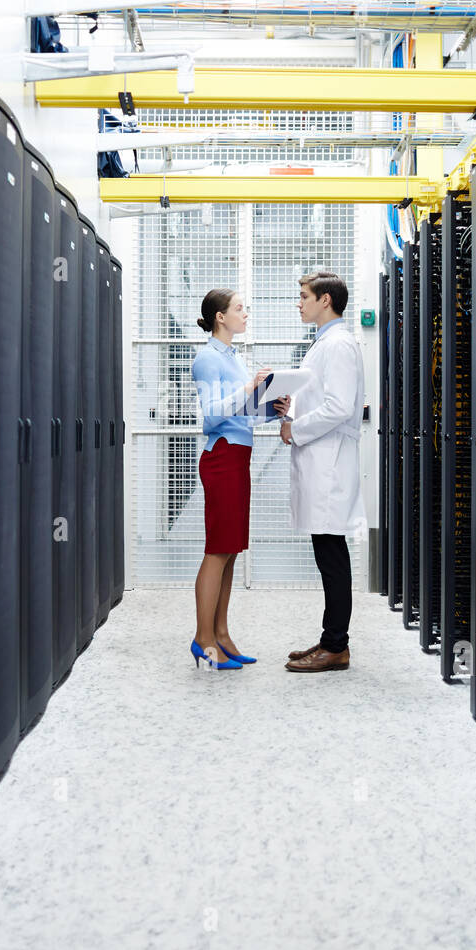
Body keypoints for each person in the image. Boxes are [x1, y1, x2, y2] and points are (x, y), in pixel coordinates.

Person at [190, 288, 286, 672]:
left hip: (237, 457)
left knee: (228, 551)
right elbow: (212, 417)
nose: (246, 314)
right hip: (221, 458)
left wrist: (274, 409)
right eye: (239, 309)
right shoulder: (207, 358)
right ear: (220, 317)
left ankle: (222, 635)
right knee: (217, 550)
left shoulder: (232, 357)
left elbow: (241, 416)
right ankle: (203, 640)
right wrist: (249, 389)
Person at [279, 271, 366, 672]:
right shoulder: (324, 344)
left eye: (303, 296)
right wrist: (289, 408)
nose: (299, 303)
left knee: (331, 556)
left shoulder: (340, 345)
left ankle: (336, 646)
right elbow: (319, 397)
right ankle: (331, 640)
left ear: (326, 300)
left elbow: (338, 407)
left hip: (328, 461)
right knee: (327, 552)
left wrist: (295, 428)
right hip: (319, 456)